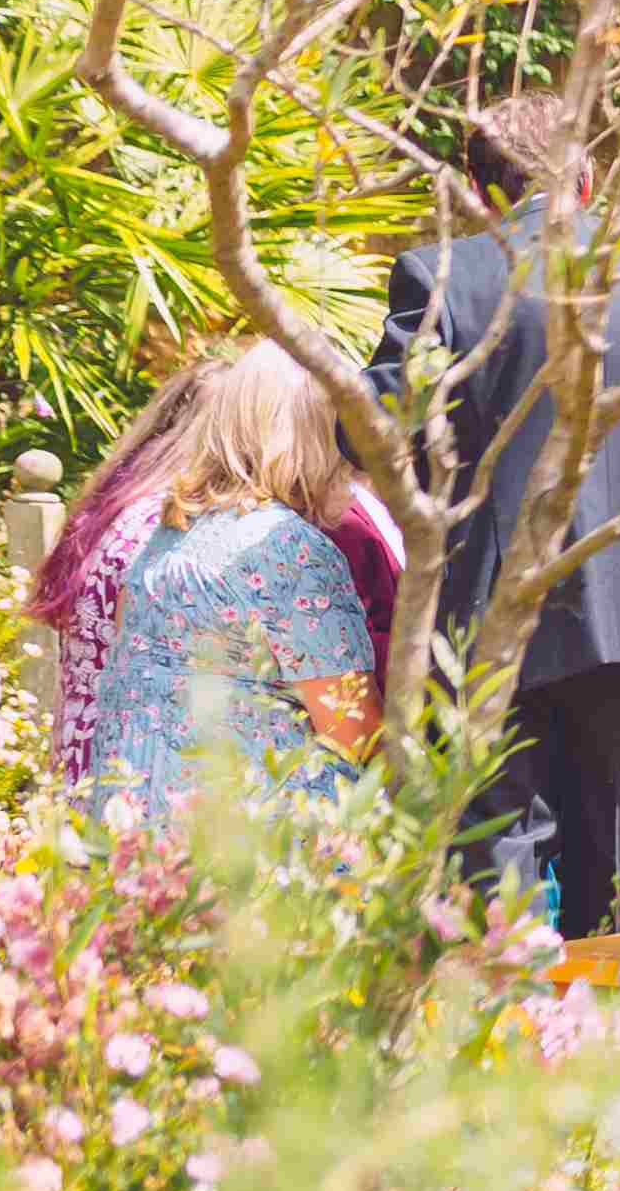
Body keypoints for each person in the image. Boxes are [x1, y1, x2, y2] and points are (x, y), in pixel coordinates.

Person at [379, 91, 620, 934]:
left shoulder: (446, 278)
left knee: (498, 877)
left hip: (501, 614)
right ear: (591, 177)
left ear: (478, 187)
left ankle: (507, 1053)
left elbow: (379, 432)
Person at [71, 339, 385, 840]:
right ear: (316, 434)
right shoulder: (288, 548)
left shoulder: (170, 534)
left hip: (143, 830)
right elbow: (354, 731)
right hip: (252, 849)